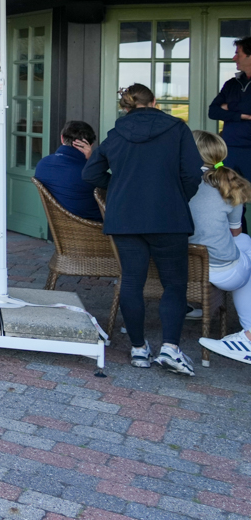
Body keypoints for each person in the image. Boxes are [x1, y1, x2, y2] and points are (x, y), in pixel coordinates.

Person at [82, 83, 203, 375]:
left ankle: (138, 349)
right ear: (154, 102)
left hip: (125, 218)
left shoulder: (116, 133)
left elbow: (90, 173)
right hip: (168, 217)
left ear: (126, 106)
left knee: (132, 281)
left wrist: (121, 188)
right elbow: (191, 174)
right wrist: (176, 196)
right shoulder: (177, 128)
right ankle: (170, 348)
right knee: (174, 284)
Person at [190, 130, 251, 365]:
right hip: (221, 271)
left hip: (181, 265)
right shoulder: (229, 184)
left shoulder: (174, 180)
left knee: (245, 244)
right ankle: (248, 336)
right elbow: (235, 232)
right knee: (245, 245)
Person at [33, 120, 104, 221]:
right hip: (94, 223)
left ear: (62, 138)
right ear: (91, 145)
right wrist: (90, 160)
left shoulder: (43, 163)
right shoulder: (88, 171)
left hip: (58, 223)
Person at [209, 35, 251, 190]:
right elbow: (213, 112)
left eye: (238, 53)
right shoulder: (231, 84)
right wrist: (240, 115)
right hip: (229, 150)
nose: (234, 58)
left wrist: (228, 106)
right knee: (230, 196)